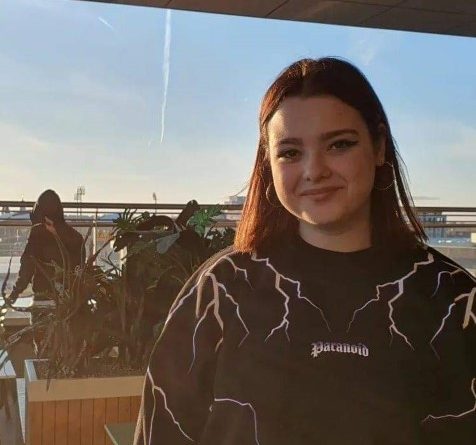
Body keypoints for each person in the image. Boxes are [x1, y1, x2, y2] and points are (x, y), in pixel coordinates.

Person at [134, 58, 475, 444]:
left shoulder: (454, 300)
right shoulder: (220, 291)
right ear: (268, 162)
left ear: (379, 146)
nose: (315, 170)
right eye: (291, 153)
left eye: (339, 145)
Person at [8, 189, 85, 303]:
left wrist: (15, 293)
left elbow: (27, 268)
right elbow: (80, 265)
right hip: (71, 298)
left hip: (44, 295)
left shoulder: (38, 234)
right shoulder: (75, 236)